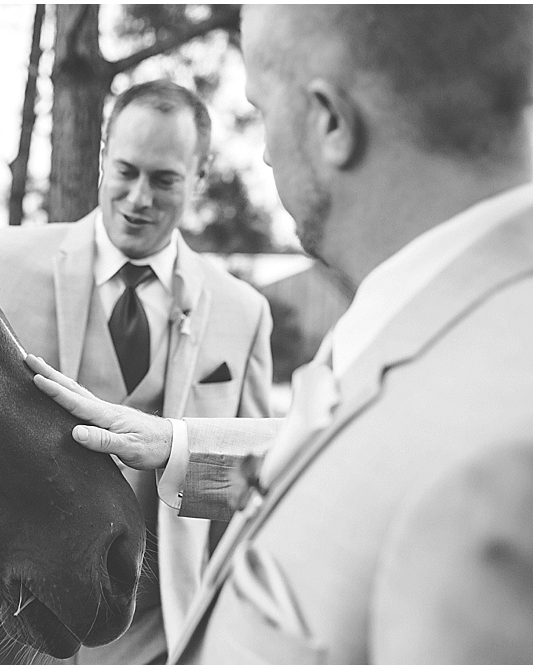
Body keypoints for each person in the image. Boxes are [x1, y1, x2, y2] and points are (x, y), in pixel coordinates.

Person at [29, 5, 533, 664]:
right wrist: (173, 443)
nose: (265, 151)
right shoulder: (425, 317)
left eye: (263, 109)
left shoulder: (497, 455)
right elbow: (327, 449)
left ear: (330, 121)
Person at [0, 81, 273, 664]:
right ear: (102, 159)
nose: (139, 197)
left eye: (165, 179)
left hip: (149, 634)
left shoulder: (243, 312)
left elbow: (250, 484)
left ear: (198, 176)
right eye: (126, 170)